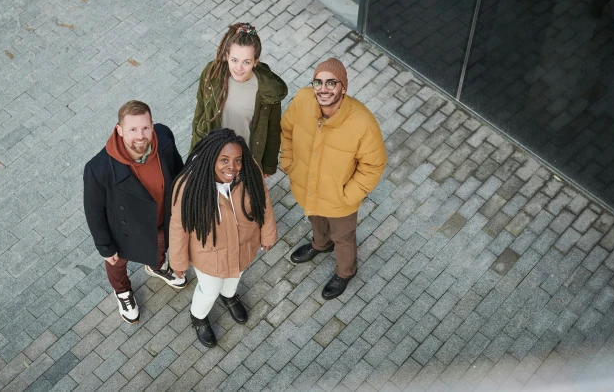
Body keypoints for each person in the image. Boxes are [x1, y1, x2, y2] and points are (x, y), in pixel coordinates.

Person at [281, 58, 387, 300]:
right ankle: (320, 245)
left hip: (340, 199)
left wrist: (346, 195)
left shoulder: (363, 123)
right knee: (316, 220)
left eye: (331, 82)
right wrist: (288, 161)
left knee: (344, 237)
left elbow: (374, 165)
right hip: (308, 187)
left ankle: (346, 271)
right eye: (318, 82)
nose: (323, 88)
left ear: (343, 88)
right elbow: (286, 129)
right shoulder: (302, 100)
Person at [170, 128, 277, 347]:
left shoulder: (249, 172)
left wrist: (267, 233)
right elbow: (179, 225)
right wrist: (178, 262)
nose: (232, 167)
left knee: (234, 278)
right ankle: (198, 317)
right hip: (209, 256)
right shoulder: (190, 186)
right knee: (209, 291)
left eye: (237, 160)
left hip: (243, 247)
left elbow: (263, 201)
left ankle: (229, 296)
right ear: (211, 158)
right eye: (224, 160)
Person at [83, 100, 187, 324]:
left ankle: (157, 266)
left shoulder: (164, 137)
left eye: (145, 128)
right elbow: (93, 211)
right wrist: (104, 246)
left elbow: (179, 172)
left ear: (152, 125)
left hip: (159, 221)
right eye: (132, 129)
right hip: (123, 233)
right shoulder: (98, 168)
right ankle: (122, 292)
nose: (141, 136)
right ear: (119, 130)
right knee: (117, 264)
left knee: (160, 245)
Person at [191, 22, 288, 177]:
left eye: (246, 62)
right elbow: (201, 109)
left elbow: (273, 131)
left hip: (244, 158)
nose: (239, 68)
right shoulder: (212, 74)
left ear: (256, 61)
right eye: (234, 60)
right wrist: (196, 147)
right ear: (227, 56)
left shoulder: (268, 91)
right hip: (215, 153)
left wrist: (268, 167)